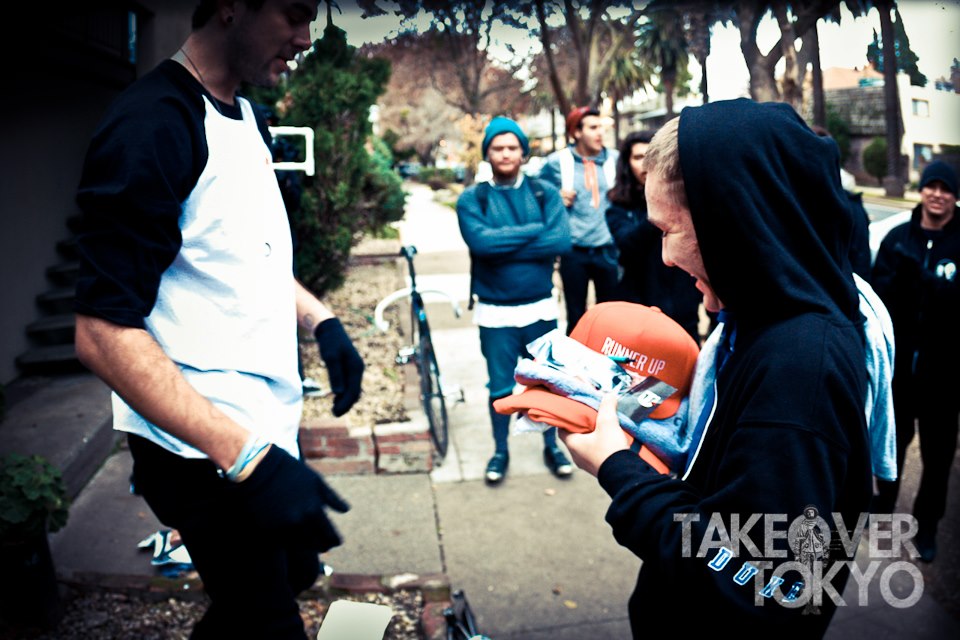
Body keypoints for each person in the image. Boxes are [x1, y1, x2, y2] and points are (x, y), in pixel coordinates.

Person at [72, 2, 364, 637]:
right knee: (268, 620)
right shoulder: (153, 122)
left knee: (291, 575)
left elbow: (242, 257)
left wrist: (323, 321)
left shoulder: (245, 115)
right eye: (293, 13)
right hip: (198, 446)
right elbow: (100, 332)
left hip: (256, 423)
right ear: (232, 5)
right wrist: (248, 459)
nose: (305, 37)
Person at [559, 99, 873, 635]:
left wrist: (617, 468)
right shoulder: (753, 325)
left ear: (734, 225)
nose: (664, 257)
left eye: (668, 230)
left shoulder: (799, 369)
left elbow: (753, 585)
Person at [456, 116, 573, 484]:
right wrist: (536, 231)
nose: (505, 154)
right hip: (495, 312)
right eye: (497, 148)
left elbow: (561, 241)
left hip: (540, 308)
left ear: (523, 153)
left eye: (512, 147)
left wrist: (504, 244)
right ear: (487, 154)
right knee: (500, 387)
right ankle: (500, 451)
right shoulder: (473, 198)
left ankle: (552, 447)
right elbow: (482, 244)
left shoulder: (544, 193)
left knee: (548, 382)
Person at [871, 159, 960, 562]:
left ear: (954, 196)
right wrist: (897, 282)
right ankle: (883, 507)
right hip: (900, 373)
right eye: (931, 186)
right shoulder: (897, 239)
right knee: (890, 445)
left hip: (945, 376)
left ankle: (927, 528)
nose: (937, 194)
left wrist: (930, 283)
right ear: (921, 190)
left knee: (938, 459)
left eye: (946, 188)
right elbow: (875, 301)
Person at [605, 130, 702, 342]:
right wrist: (658, 210)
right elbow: (627, 245)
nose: (645, 164)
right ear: (627, 164)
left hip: (683, 301)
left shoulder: (685, 198)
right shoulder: (619, 207)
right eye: (639, 157)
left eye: (650, 155)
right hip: (641, 304)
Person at [539, 106, 619, 333]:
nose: (600, 133)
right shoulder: (557, 162)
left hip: (608, 249)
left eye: (601, 127)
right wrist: (556, 197)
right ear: (576, 132)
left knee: (610, 316)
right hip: (573, 251)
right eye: (593, 128)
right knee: (576, 316)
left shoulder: (615, 159)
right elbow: (536, 194)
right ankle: (576, 354)